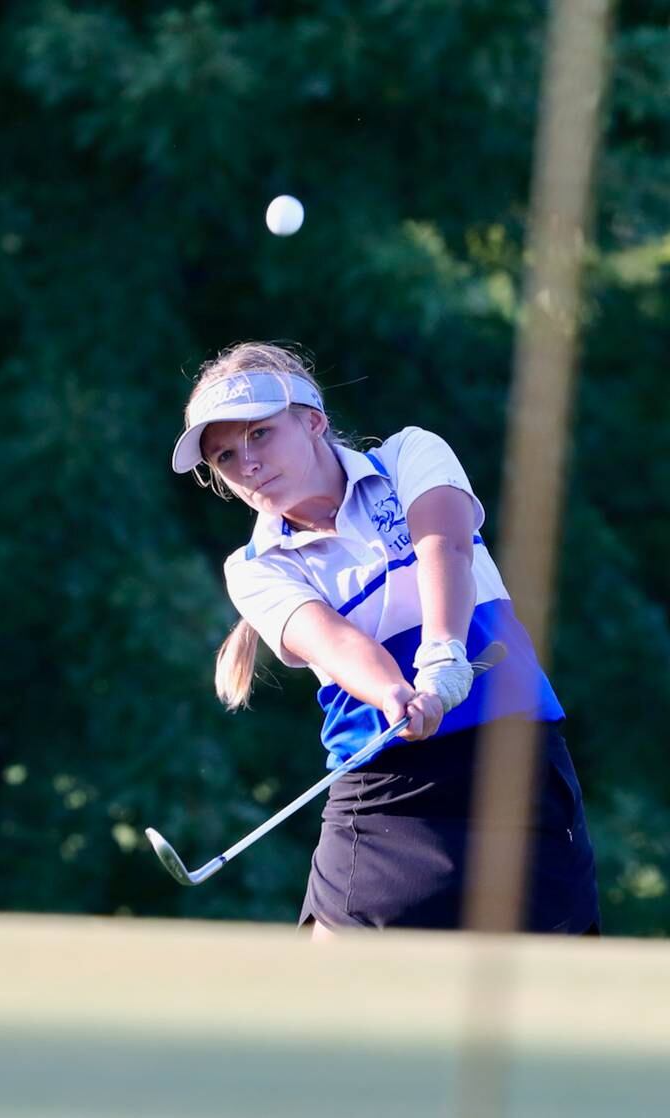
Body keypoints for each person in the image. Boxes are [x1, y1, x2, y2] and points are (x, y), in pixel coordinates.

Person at [172, 341, 600, 938]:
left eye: (260, 435)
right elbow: (334, 642)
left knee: (552, 976)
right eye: (222, 456)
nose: (245, 463)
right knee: (331, 985)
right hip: (385, 781)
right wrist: (393, 695)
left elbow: (444, 546)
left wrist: (444, 652)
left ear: (314, 421)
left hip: (511, 749)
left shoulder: (409, 455)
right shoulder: (253, 567)